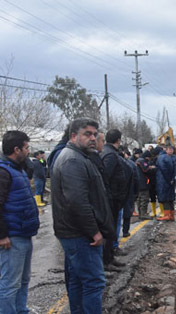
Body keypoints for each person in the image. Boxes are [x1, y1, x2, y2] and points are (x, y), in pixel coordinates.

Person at [51, 118, 114, 313]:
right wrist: (94, 231)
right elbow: (77, 202)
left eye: (95, 134)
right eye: (87, 134)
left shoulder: (79, 157)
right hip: (80, 235)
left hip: (75, 233)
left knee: (79, 280)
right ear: (73, 136)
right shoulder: (72, 160)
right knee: (94, 282)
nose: (93, 138)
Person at [0, 131, 40, 314]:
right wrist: (2, 235)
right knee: (10, 283)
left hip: (23, 234)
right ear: (16, 149)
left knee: (23, 280)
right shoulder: (3, 172)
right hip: (12, 238)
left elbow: (30, 166)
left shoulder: (18, 169)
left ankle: (20, 310)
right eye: (26, 147)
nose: (29, 151)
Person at [100, 129, 128, 267]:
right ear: (118, 140)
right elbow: (106, 178)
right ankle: (107, 260)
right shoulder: (110, 155)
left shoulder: (109, 152)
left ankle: (109, 257)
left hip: (114, 198)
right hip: (112, 200)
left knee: (111, 230)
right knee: (110, 230)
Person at [156, 145, 176, 221]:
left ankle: (167, 215)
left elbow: (164, 169)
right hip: (170, 180)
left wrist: (169, 179)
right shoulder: (173, 158)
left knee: (165, 198)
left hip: (164, 181)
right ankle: (171, 215)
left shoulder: (161, 157)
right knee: (170, 198)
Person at [135, 151, 153, 220]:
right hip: (143, 182)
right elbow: (146, 170)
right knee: (144, 199)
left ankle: (140, 213)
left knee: (139, 199)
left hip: (138, 182)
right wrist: (152, 168)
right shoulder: (142, 161)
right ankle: (143, 214)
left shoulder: (138, 160)